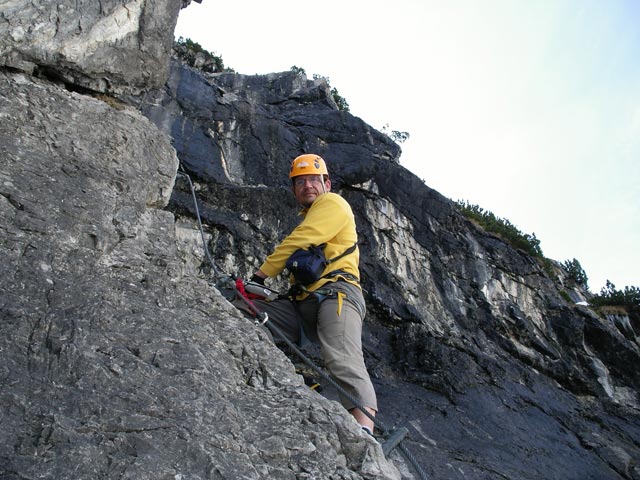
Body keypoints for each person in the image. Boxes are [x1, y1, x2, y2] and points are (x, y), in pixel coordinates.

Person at [250, 153, 377, 435]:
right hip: (303, 301)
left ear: (326, 184)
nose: (307, 186)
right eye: (300, 181)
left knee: (342, 358)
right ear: (294, 189)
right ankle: (293, 378)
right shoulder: (313, 214)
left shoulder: (332, 203)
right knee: (247, 309)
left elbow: (302, 238)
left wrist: (259, 276)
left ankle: (365, 431)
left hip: (337, 294)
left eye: (313, 180)